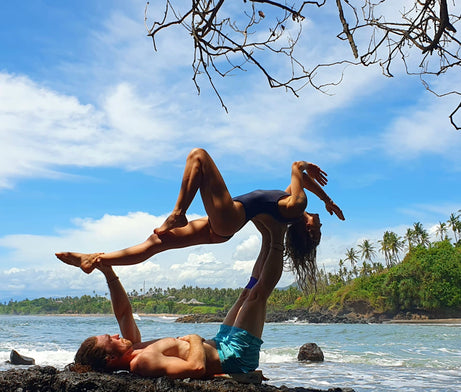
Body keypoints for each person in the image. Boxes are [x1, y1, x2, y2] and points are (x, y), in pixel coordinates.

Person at [56, 148, 344, 289]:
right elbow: (303, 182)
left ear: (306, 229)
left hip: (230, 217)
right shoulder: (291, 208)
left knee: (199, 157)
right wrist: (329, 200)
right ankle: (94, 260)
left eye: (317, 229)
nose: (319, 222)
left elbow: (298, 169)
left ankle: (178, 213)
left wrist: (305, 165)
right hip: (219, 228)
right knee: (156, 242)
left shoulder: (296, 206)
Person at [69, 215, 285, 378]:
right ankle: (278, 236)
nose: (116, 335)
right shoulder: (142, 363)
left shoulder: (134, 349)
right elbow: (196, 368)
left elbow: (124, 313)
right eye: (110, 340)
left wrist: (108, 271)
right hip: (235, 356)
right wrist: (194, 338)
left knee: (247, 293)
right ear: (110, 359)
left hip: (220, 344)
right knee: (257, 296)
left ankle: (267, 236)